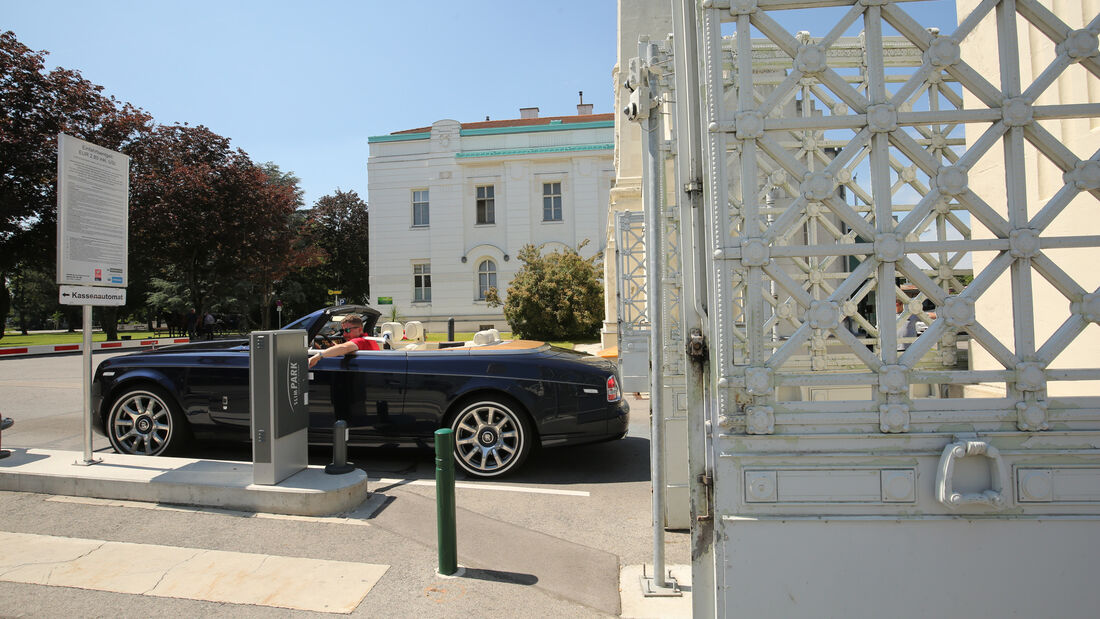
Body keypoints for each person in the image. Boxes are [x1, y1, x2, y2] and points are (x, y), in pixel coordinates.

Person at [308, 314, 380, 368]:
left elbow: (345, 348)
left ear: (360, 329)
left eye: (347, 330)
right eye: (343, 331)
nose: (344, 334)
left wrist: (318, 356)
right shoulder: (369, 339)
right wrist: (335, 348)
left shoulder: (361, 341)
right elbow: (345, 348)